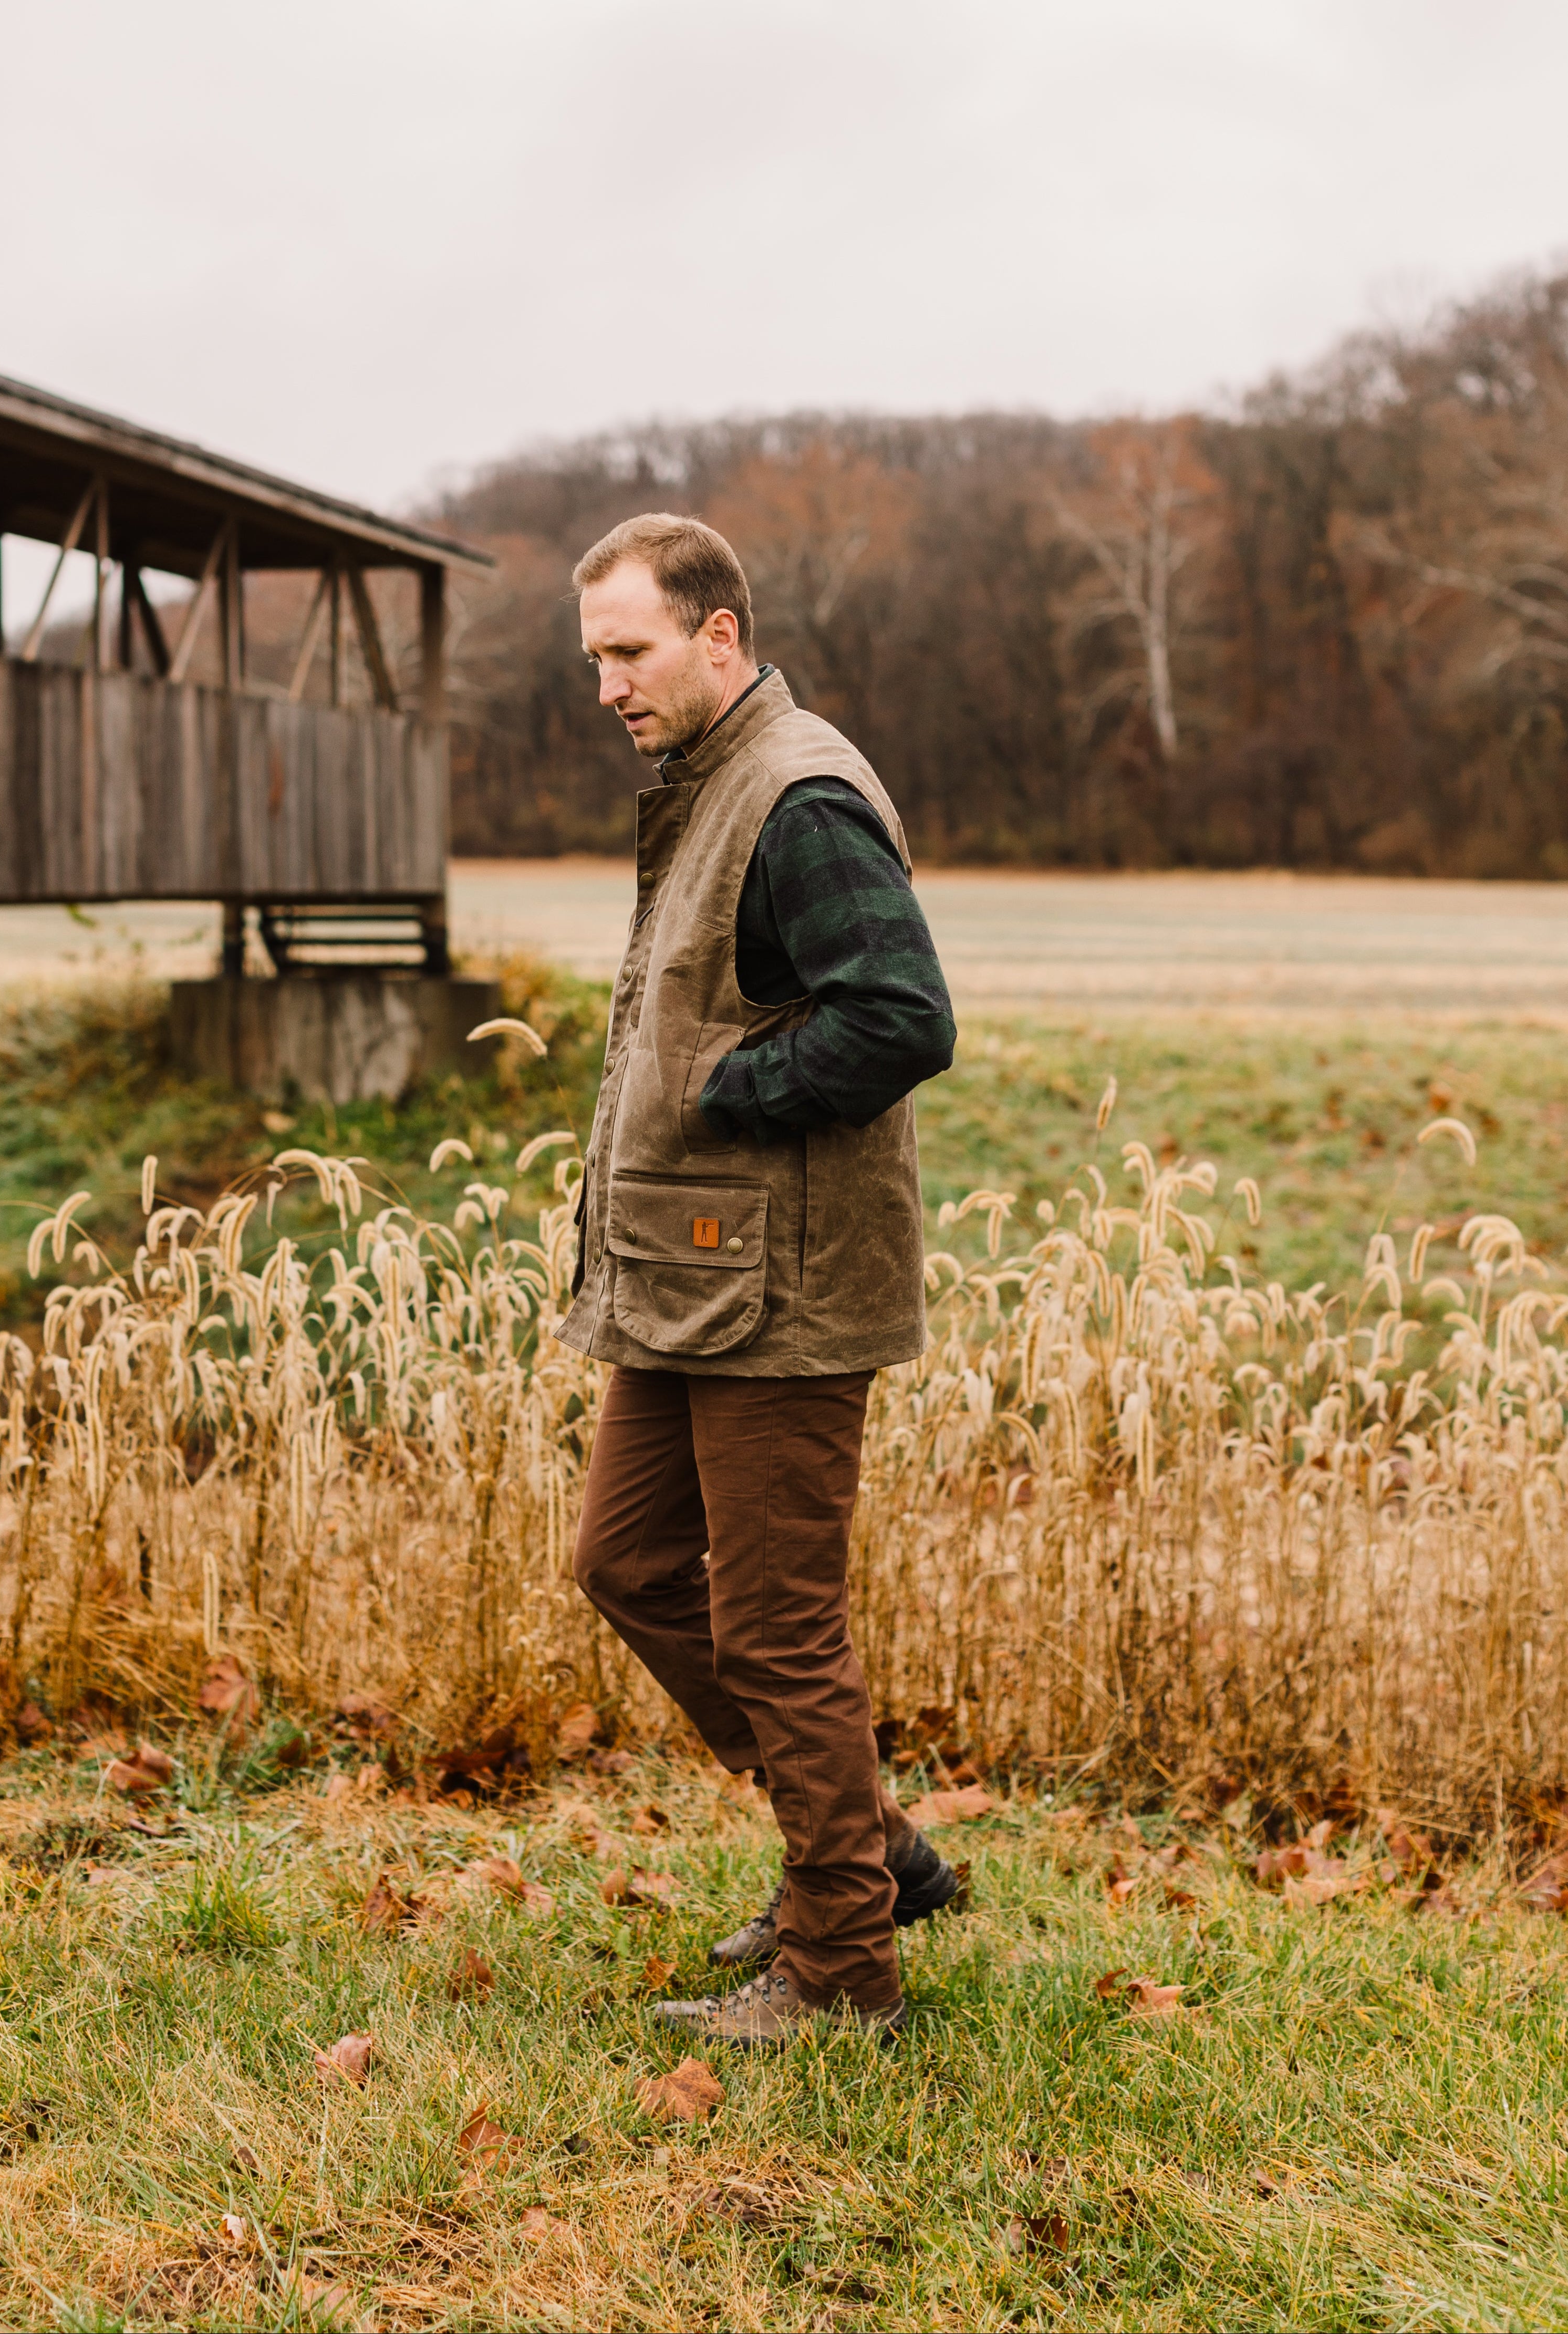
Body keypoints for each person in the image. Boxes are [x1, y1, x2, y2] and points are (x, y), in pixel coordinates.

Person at [559, 513, 961, 2048]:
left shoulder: (796, 795)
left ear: (717, 635)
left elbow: (900, 1017)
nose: (607, 685)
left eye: (630, 651)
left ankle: (843, 1970)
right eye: (595, 657)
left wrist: (725, 1090)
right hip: (693, 1272)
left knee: (777, 1629)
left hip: (781, 1289)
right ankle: (870, 1852)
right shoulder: (711, 781)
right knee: (626, 1561)